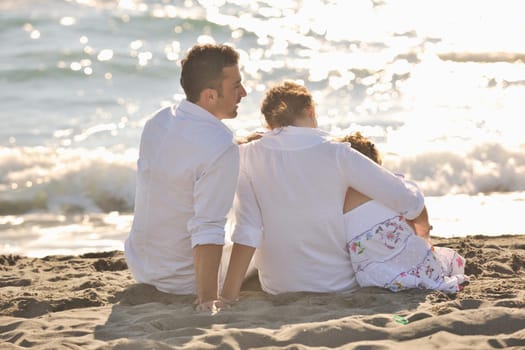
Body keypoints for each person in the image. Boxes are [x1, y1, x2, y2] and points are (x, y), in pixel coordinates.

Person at [220, 81, 426, 302]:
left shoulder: (247, 156)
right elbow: (405, 198)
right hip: (337, 284)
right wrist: (424, 236)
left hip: (277, 286)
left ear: (269, 123)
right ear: (310, 111)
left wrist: (227, 296)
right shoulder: (337, 153)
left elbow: (248, 229)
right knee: (373, 193)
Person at [124, 43, 247, 312]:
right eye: (236, 86)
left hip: (142, 267)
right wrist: (207, 300)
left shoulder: (158, 121)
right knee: (262, 224)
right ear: (210, 96)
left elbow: (191, 155)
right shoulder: (221, 146)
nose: (244, 93)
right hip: (182, 280)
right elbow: (208, 226)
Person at [339, 132, 466, 293]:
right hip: (407, 259)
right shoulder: (388, 185)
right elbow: (417, 207)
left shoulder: (338, 196)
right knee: (448, 260)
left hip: (372, 275)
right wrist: (425, 237)